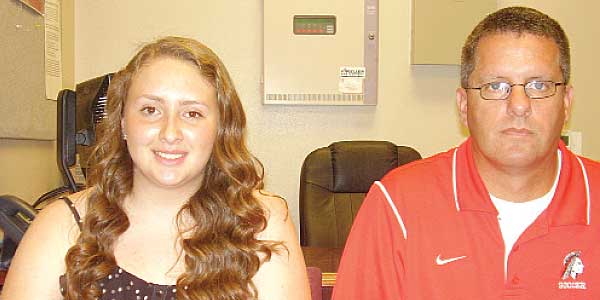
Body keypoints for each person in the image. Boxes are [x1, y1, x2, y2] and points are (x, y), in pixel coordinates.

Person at [2, 36, 310, 300]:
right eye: (150, 110)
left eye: (192, 113)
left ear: (220, 128)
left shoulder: (262, 224)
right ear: (122, 123)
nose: (170, 132)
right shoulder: (63, 225)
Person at [333, 6, 600, 299]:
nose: (520, 105)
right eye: (496, 86)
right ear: (463, 105)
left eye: (539, 85)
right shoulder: (397, 205)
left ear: (566, 102)